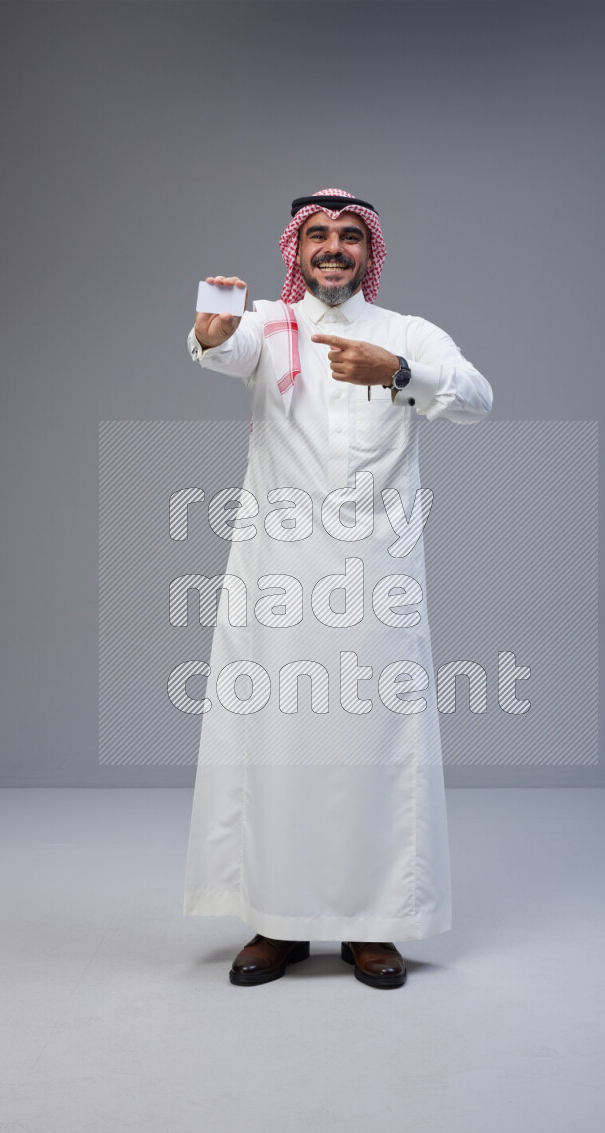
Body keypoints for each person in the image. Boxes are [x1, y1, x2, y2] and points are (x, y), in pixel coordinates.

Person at [183, 188, 493, 989]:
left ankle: (372, 927)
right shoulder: (268, 324)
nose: (332, 247)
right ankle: (276, 922)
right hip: (280, 578)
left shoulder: (407, 333)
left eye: (349, 235)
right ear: (296, 249)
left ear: (369, 251)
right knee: (277, 743)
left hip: (374, 578)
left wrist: (399, 374)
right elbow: (222, 349)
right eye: (317, 234)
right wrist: (211, 332)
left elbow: (477, 399)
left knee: (373, 746)